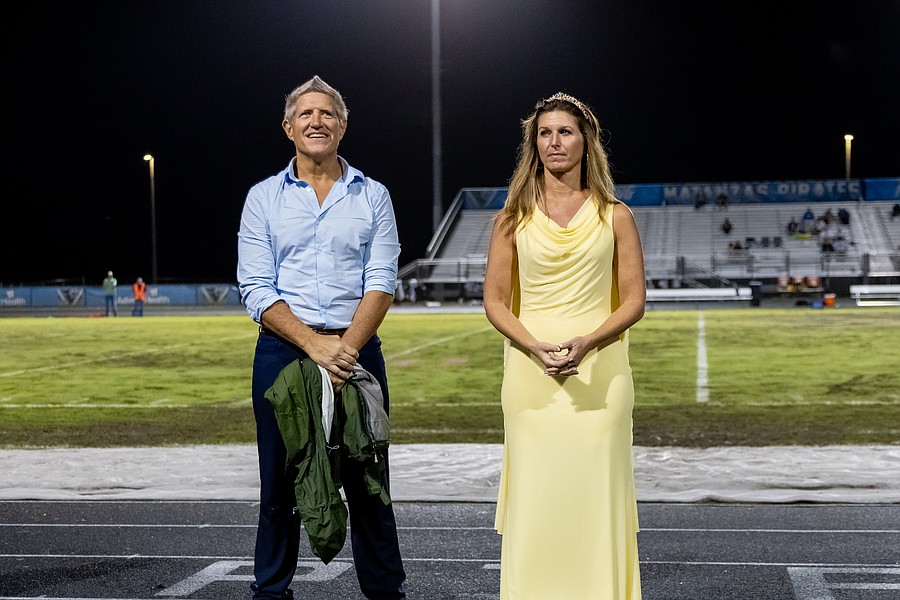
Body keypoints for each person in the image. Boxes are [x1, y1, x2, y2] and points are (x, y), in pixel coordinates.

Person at [236, 75, 406, 600]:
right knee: (279, 485)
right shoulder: (262, 198)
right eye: (306, 114)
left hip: (357, 351)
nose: (317, 121)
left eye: (327, 113)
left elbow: (382, 281)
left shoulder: (372, 195)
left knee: (369, 484)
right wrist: (315, 346)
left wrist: (344, 350)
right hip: (284, 353)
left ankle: (386, 592)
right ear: (288, 128)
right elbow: (255, 287)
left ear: (343, 126)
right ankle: (271, 592)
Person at [483, 92, 645, 599]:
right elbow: (495, 301)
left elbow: (634, 300)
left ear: (586, 141)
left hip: (600, 376)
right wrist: (534, 347)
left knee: (596, 495)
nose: (554, 142)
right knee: (537, 499)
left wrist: (588, 342)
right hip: (530, 377)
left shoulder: (616, 215)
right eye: (545, 133)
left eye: (565, 131)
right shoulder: (511, 217)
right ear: (534, 143)